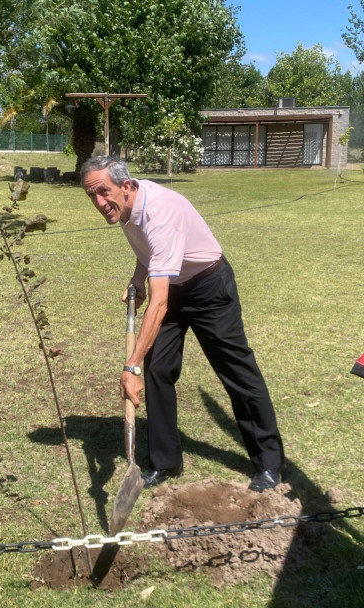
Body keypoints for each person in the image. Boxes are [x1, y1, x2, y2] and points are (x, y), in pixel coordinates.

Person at [81, 156, 284, 492]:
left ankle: (268, 462)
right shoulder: (124, 207)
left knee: (236, 370)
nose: (100, 203)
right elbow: (150, 249)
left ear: (126, 186)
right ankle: (165, 461)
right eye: (92, 196)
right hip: (173, 285)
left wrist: (129, 366)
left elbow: (159, 303)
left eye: (104, 192)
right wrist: (138, 277)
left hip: (209, 288)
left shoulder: (161, 211)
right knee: (158, 369)